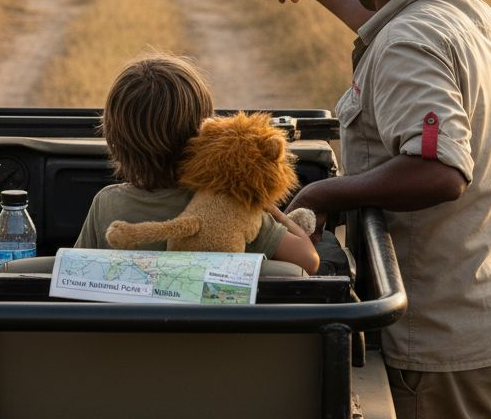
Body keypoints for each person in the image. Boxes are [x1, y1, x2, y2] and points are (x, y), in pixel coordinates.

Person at [259, 0, 491, 417]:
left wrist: (326, 195)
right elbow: (386, 17)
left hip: (438, 347)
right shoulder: (464, 10)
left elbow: (440, 171)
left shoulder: (408, 42)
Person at [74, 54, 319, 274]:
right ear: (205, 135)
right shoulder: (231, 207)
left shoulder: (105, 205)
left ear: (114, 139)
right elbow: (309, 261)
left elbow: (75, 272)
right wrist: (278, 215)